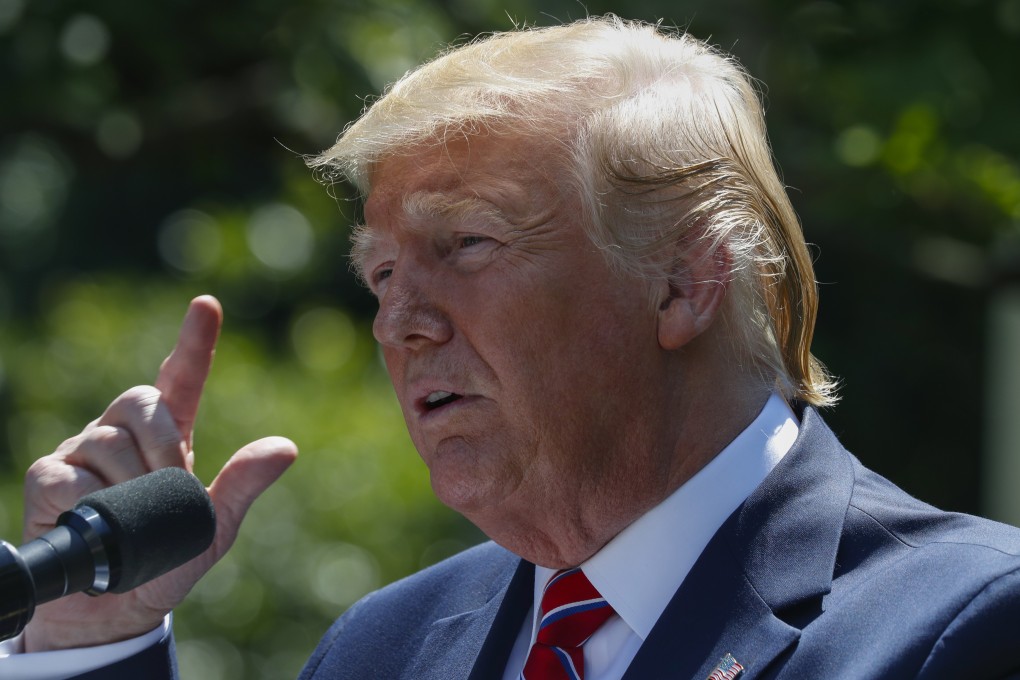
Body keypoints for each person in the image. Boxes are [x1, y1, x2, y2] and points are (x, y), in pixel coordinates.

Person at [3, 15, 1019, 679]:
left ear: (685, 278)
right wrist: (95, 643)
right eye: (384, 273)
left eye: (467, 243)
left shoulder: (962, 626)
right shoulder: (382, 649)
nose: (403, 321)